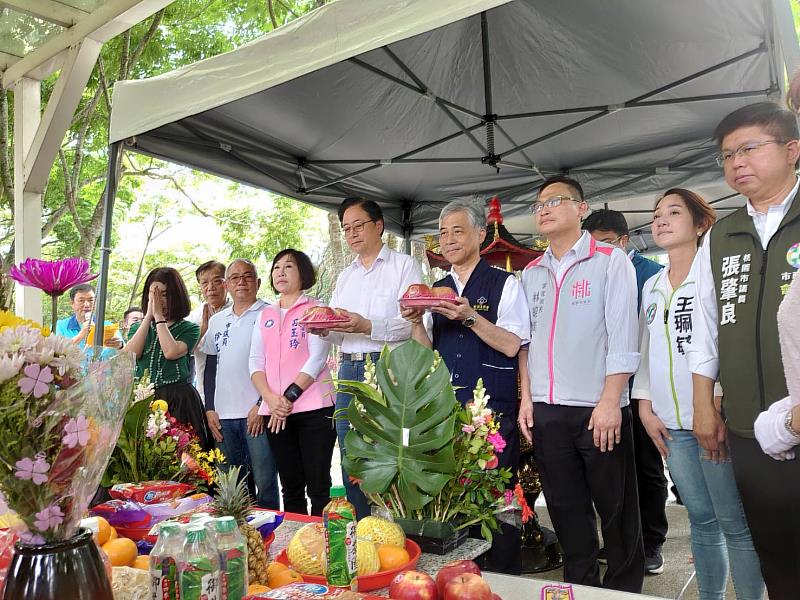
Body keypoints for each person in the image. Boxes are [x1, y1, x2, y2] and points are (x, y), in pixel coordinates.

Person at [686, 99, 800, 599]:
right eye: (727, 155)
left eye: (749, 148)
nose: (736, 163)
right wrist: (703, 406)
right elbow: (706, 326)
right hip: (751, 426)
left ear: (792, 149)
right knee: (775, 550)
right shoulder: (721, 235)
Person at [633, 188, 764, 600]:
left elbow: (728, 343)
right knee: (702, 521)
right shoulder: (651, 286)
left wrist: (716, 402)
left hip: (711, 420)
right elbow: (645, 352)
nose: (661, 220)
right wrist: (645, 407)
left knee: (734, 522)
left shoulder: (715, 276)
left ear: (700, 223)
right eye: (656, 215)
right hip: (671, 425)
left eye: (673, 212)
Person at [518, 176, 643, 593]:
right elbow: (526, 342)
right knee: (567, 509)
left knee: (616, 509)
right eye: (539, 205)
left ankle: (624, 589)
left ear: (581, 208)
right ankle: (580, 586)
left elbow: (624, 337)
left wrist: (611, 401)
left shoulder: (609, 260)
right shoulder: (531, 272)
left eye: (555, 201)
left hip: (598, 408)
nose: (545, 209)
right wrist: (527, 398)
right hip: (547, 409)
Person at [402, 199, 529, 574]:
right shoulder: (436, 289)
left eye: (458, 230)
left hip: (490, 412)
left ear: (480, 234)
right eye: (443, 233)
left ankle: (505, 579)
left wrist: (470, 316)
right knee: (452, 504)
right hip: (446, 413)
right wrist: (413, 322)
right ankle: (458, 579)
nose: (450, 239)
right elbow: (427, 355)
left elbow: (512, 343)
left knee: (497, 504)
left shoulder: (504, 283)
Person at [309, 197, 423, 519]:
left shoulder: (404, 266)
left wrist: (368, 325)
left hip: (387, 368)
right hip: (348, 368)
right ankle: (357, 531)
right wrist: (323, 329)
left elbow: (414, 323)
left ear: (379, 226)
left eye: (358, 226)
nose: (352, 233)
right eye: (346, 229)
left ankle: (395, 529)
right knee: (350, 453)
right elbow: (337, 330)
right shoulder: (346, 276)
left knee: (389, 451)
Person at [582, 209, 668, 575]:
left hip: (641, 390)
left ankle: (652, 542)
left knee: (646, 469)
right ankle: (618, 540)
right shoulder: (587, 270)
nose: (596, 249)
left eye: (603, 242)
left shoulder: (651, 275)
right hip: (602, 393)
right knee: (614, 474)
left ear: (624, 240)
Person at [250, 249, 337, 516]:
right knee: (290, 486)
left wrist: (286, 398)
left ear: (303, 273)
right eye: (277, 267)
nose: (281, 272)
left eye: (289, 267)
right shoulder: (265, 314)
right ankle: (299, 546)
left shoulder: (316, 309)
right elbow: (255, 362)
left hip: (314, 410)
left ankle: (324, 545)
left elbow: (317, 359)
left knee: (318, 486)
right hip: (275, 412)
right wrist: (270, 399)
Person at [201, 259, 279, 509]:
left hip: (258, 412)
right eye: (235, 278)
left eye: (247, 277)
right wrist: (210, 408)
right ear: (227, 285)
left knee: (265, 481)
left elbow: (277, 365)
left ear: (257, 283)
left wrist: (262, 404)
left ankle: (271, 534)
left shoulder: (270, 314)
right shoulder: (217, 320)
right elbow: (210, 367)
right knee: (231, 485)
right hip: (222, 416)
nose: (241, 282)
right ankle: (239, 538)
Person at [126, 267, 212, 450]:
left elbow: (171, 351)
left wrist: (158, 317)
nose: (158, 301)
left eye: (164, 295)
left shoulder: (189, 328)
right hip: (144, 401)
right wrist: (149, 315)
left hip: (179, 401)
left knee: (183, 458)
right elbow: (130, 355)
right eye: (153, 295)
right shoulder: (138, 329)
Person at [188, 260, 230, 402]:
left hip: (237, 390)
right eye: (204, 283)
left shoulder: (238, 311)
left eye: (217, 281)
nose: (210, 288)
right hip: (205, 392)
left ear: (227, 283)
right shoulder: (194, 317)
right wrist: (203, 330)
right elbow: (184, 353)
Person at [55, 284, 123, 349]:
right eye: (81, 300)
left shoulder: (108, 326)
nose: (87, 305)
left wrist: (119, 346)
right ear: (72, 303)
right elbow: (55, 351)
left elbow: (126, 352)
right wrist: (81, 334)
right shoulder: (60, 325)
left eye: (91, 300)